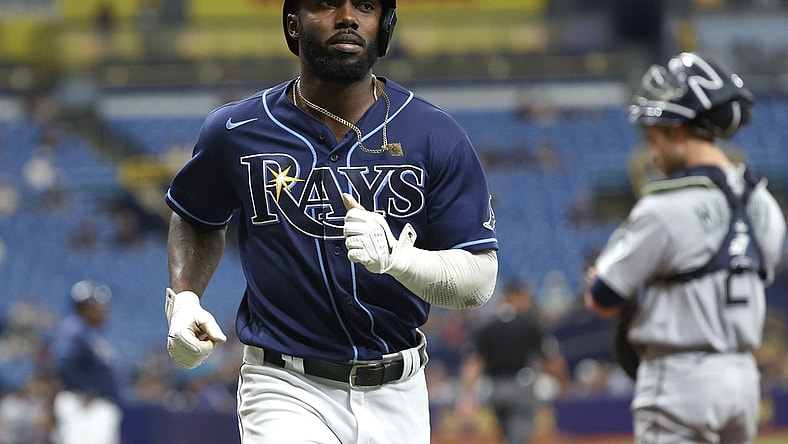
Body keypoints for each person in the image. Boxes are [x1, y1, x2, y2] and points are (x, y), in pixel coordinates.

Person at [162, 1, 499, 442]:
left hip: (399, 389)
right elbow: (196, 217)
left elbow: (478, 281)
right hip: (285, 385)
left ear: (385, 25)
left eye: (365, 5)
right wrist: (185, 298)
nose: (347, 17)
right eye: (325, 3)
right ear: (293, 25)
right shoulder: (235, 129)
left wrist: (399, 260)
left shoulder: (436, 134)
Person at [584, 52, 787, 443]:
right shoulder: (763, 202)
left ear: (677, 130)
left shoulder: (664, 206)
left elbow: (602, 297)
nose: (652, 153)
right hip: (743, 379)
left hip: (680, 378)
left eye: (653, 138)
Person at [457, 281, 570, 444]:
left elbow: (473, 363)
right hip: (521, 388)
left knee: (506, 435)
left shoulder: (488, 327)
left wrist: (467, 396)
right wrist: (563, 384)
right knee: (518, 437)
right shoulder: (530, 325)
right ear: (515, 297)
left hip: (495, 390)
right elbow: (552, 359)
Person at [49, 280, 123, 444]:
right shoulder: (74, 329)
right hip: (84, 407)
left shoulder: (89, 332)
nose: (104, 309)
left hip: (94, 407)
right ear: (86, 308)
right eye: (99, 305)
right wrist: (84, 390)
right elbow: (63, 362)